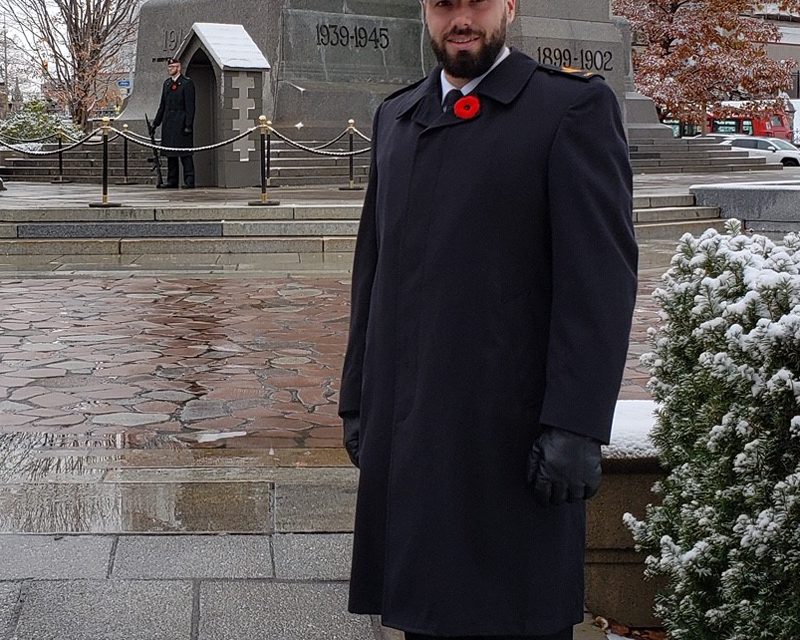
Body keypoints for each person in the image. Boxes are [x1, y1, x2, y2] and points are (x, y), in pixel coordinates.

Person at [338, 1, 638, 639]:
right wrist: (356, 399)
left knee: (514, 616)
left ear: (510, 6)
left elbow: (598, 283)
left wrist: (577, 426)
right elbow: (375, 269)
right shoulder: (397, 115)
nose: (462, 19)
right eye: (446, 4)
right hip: (412, 430)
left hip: (511, 442)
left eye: (478, 1)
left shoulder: (567, 110)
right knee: (422, 616)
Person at [151, 57, 195, 189]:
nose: (170, 69)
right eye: (169, 67)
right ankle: (172, 180)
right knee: (171, 154)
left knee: (185, 154)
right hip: (169, 123)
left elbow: (190, 106)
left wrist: (188, 125)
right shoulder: (167, 84)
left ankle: (189, 180)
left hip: (181, 123)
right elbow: (162, 106)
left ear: (179, 68)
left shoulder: (187, 84)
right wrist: (156, 124)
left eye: (172, 67)